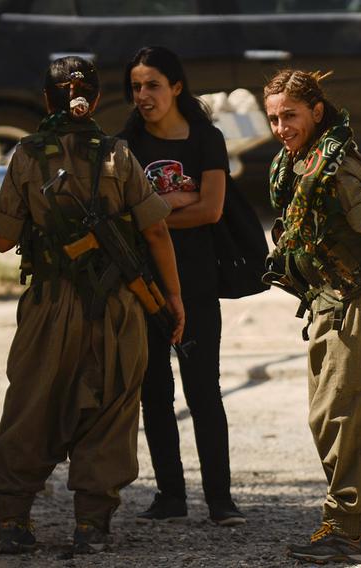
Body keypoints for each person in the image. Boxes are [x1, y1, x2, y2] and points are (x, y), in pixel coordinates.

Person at [0, 55, 185, 555]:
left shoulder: (28, 156)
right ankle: (91, 525)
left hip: (49, 305)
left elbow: (2, 241)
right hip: (117, 306)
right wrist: (173, 298)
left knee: (32, 405)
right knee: (111, 406)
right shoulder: (117, 154)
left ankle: (12, 520)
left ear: (46, 100)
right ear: (94, 101)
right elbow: (156, 229)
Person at [262, 69, 361, 563]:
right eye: (272, 118)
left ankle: (349, 530)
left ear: (316, 111)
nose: (281, 126)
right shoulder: (297, 163)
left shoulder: (338, 166)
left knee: (354, 416)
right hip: (330, 305)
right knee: (331, 417)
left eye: (289, 114)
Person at [117, 46, 245, 526]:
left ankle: (220, 500)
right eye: (136, 87)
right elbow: (128, 218)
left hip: (197, 282)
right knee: (154, 392)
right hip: (144, 286)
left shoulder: (206, 139)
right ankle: (169, 495)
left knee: (203, 392)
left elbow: (212, 209)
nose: (144, 95)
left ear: (176, 87)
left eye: (153, 84)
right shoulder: (125, 143)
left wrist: (154, 211)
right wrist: (179, 200)